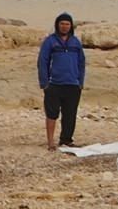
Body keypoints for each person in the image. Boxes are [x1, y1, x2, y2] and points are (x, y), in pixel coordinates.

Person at [37, 12, 86, 149]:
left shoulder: (75, 42)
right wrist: (44, 83)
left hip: (73, 85)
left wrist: (80, 82)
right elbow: (43, 61)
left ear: (71, 26)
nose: (64, 27)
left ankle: (66, 140)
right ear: (57, 25)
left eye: (67, 24)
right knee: (52, 114)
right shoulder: (50, 41)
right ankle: (50, 142)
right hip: (54, 84)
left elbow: (82, 62)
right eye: (62, 24)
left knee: (70, 114)